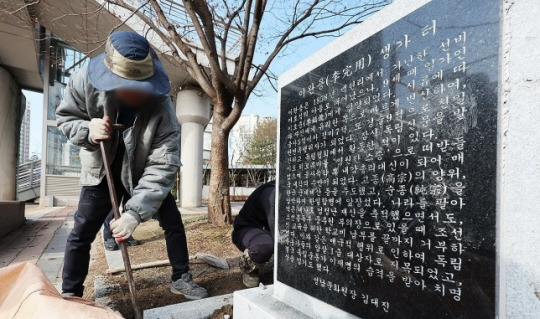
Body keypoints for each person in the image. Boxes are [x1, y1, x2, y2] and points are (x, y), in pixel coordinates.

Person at [56, 31, 208, 300]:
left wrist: (134, 213)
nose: (134, 93)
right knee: (81, 232)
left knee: (173, 222)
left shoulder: (162, 107)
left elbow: (163, 164)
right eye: (125, 84)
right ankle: (71, 294)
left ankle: (181, 276)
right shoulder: (83, 82)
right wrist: (87, 129)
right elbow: (66, 119)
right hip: (101, 169)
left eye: (141, 86)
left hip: (142, 172)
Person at [232, 181, 275, 287]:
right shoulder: (272, 193)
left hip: (268, 230)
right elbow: (277, 231)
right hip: (248, 230)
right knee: (263, 246)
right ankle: (249, 267)